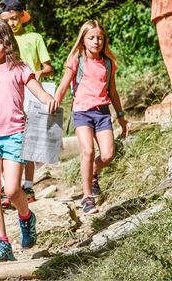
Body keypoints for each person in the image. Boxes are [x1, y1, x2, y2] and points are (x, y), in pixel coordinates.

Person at [0, 18, 57, 262]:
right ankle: (2, 242)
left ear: (7, 42)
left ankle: (26, 217)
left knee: (12, 189)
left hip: (14, 135)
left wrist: (48, 99)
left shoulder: (19, 68)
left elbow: (39, 93)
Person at [54, 20, 128, 215]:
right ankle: (87, 198)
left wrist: (121, 116)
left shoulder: (108, 63)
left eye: (100, 38)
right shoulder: (76, 60)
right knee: (87, 151)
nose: (96, 41)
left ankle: (93, 172)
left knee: (108, 154)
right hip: (81, 112)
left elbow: (113, 91)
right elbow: (63, 86)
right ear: (83, 40)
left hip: (102, 112)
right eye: (92, 38)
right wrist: (55, 103)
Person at [0, 0, 53, 204]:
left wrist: (37, 73)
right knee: (4, 137)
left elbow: (48, 67)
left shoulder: (34, 38)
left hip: (31, 92)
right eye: (7, 20)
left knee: (30, 139)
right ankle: (6, 187)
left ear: (22, 16)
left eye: (14, 18)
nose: (12, 24)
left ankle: (28, 186)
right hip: (8, 94)